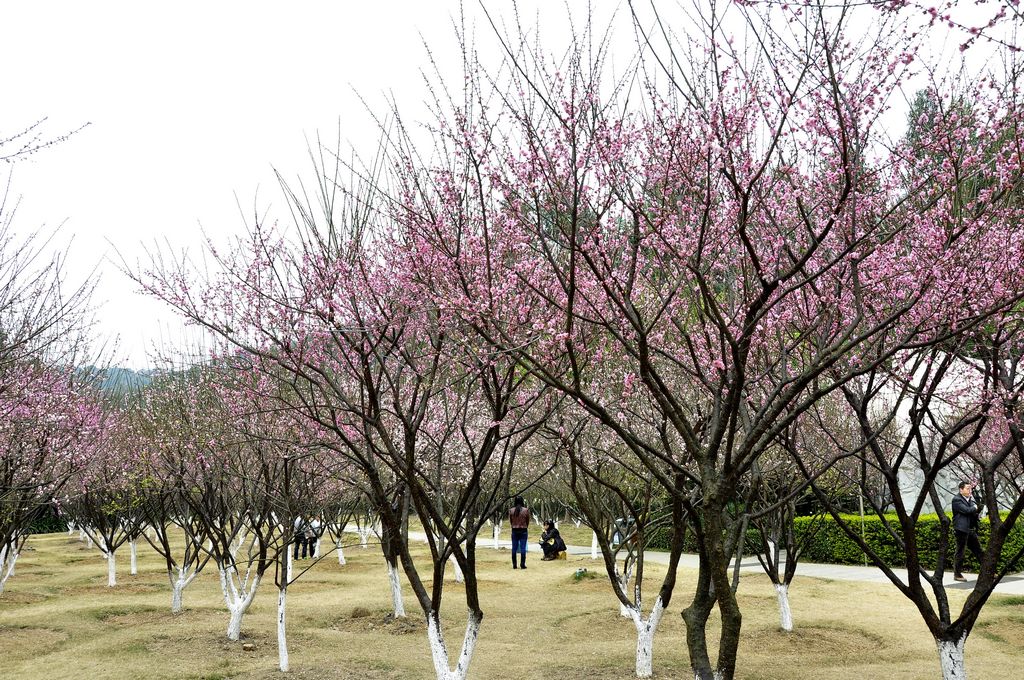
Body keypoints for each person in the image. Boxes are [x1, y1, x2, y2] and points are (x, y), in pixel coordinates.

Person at [952, 480, 984, 581]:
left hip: (970, 529)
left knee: (979, 551)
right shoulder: (956, 500)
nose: (970, 490)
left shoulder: (970, 499)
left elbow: (973, 512)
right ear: (961, 490)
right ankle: (957, 574)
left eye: (970, 488)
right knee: (960, 552)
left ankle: (988, 572)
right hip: (961, 529)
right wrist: (974, 507)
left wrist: (978, 510)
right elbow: (966, 510)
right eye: (967, 488)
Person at [509, 496, 529, 569]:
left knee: (514, 548)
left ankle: (514, 565)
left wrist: (514, 526)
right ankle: (522, 564)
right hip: (523, 530)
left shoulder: (511, 510)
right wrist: (525, 526)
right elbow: (527, 521)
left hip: (514, 530)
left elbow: (511, 521)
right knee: (523, 548)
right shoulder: (525, 510)